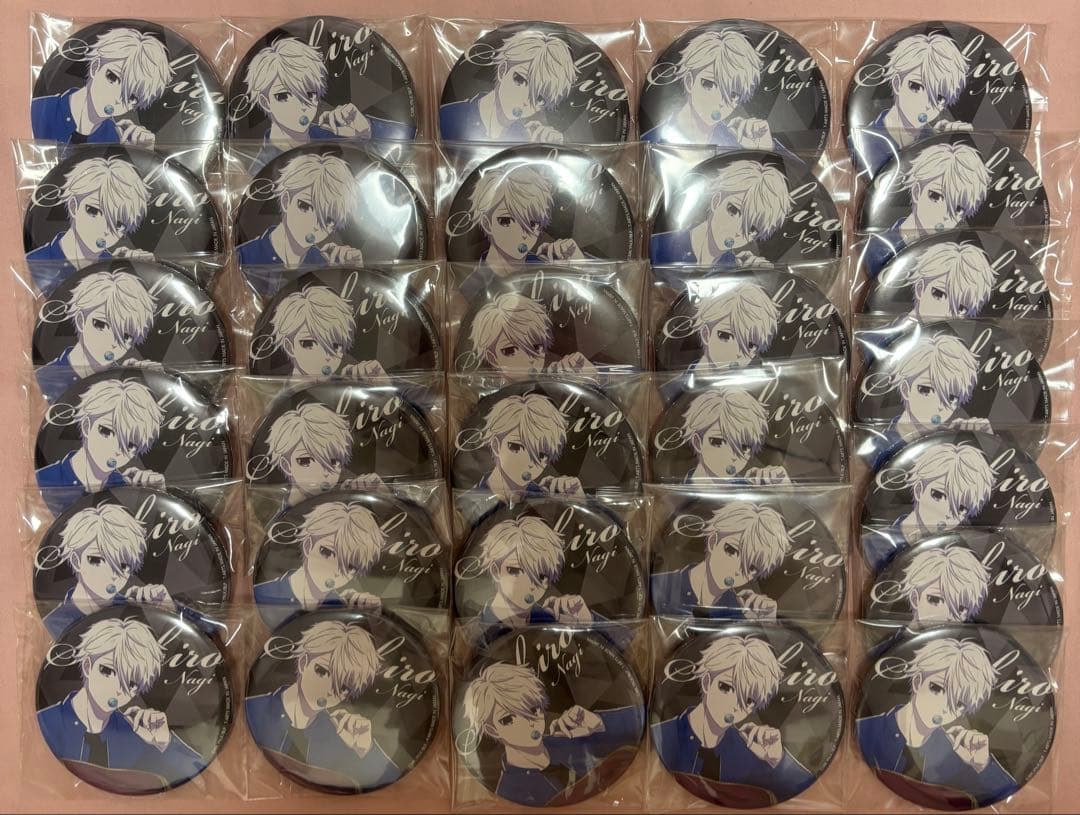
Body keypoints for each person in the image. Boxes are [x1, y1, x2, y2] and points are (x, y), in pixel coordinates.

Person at [37, 617, 204, 788]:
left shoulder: (134, 734)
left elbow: (199, 776)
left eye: (131, 684)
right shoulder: (47, 722)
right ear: (87, 666)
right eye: (108, 671)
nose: (117, 689)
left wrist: (165, 743)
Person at [651, 636, 816, 805]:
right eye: (726, 687)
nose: (735, 705)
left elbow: (806, 786)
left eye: (749, 700)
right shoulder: (664, 734)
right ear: (707, 682)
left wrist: (778, 759)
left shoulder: (749, 750)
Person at [856, 638, 1017, 804]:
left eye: (959, 704)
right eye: (937, 688)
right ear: (918, 682)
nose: (944, 707)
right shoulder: (866, 730)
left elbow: (1012, 799)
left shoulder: (955, 755)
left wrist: (983, 766)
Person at [245, 619, 400, 791]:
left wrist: (366, 749)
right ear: (303, 663)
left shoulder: (338, 735)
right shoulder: (254, 708)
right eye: (322, 671)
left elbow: (394, 783)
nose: (329, 690)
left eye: (343, 687)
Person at [462, 662, 643, 806]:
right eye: (508, 719)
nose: (529, 722)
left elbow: (641, 724)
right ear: (493, 729)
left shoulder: (569, 739)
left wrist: (600, 723)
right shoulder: (510, 790)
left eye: (533, 709)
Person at [242, 37, 416, 173]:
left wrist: (367, 131)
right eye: (284, 96)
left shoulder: (332, 135)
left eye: (310, 94)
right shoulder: (261, 165)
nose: (302, 105)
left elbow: (407, 137)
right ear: (265, 102)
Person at [235, 152, 364, 296]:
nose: (315, 225)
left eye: (329, 220)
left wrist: (352, 275)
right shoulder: (243, 256)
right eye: (305, 206)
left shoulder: (323, 264)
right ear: (286, 201)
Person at [36, 378, 165, 515]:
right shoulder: (44, 480)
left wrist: (158, 498)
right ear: (87, 426)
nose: (116, 449)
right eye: (106, 431)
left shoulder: (125, 489)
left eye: (130, 444)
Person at [861, 142, 990, 278]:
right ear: (917, 192)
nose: (945, 214)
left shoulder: (951, 267)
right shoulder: (878, 248)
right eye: (936, 196)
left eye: (958, 209)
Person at [26, 157, 153, 292]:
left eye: (118, 224)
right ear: (74, 206)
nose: (104, 229)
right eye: (93, 211)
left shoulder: (115, 269)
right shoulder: (35, 262)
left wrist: (139, 273)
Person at [863, 442, 995, 571]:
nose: (946, 512)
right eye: (938, 495)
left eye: (961, 508)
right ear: (919, 490)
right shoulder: (876, 544)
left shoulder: (957, 562)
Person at [854, 34, 972, 177]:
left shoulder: (936, 143)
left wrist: (953, 146)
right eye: (916, 86)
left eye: (939, 97)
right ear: (897, 83)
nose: (926, 104)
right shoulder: (862, 141)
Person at [253, 501, 384, 628]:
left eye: (350, 566)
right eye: (326, 552)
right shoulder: (263, 594)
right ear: (308, 546)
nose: (335, 570)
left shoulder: (342, 607)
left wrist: (373, 618)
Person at [32, 27, 170, 146]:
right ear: (95, 67)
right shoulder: (40, 111)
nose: (117, 98)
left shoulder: (115, 139)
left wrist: (141, 154)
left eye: (132, 97)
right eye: (113, 77)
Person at [651, 503, 789, 618]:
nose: (737, 570)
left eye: (752, 567)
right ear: (713, 542)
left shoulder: (739, 612)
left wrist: (765, 624)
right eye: (731, 551)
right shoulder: (661, 585)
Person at [37, 270, 157, 401]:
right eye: (101, 325)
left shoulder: (126, 384)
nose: (113, 342)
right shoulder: (44, 379)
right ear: (81, 321)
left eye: (126, 336)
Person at [440, 30, 576, 143]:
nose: (526, 101)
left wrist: (539, 152)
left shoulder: (526, 138)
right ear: (502, 70)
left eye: (540, 98)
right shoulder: (451, 115)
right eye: (520, 80)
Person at [650, 160, 794, 267]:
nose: (737, 231)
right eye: (733, 210)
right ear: (716, 201)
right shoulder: (662, 245)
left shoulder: (733, 266)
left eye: (752, 229)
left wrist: (752, 277)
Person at [264, 285, 387, 379]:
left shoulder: (347, 385)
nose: (326, 356)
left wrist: (383, 389)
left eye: (336, 345)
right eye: (309, 343)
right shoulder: (272, 390)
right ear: (289, 347)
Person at [467, 292, 597, 379]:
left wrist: (593, 378)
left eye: (536, 347)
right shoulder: (487, 392)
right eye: (510, 350)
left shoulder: (557, 374)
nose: (530, 358)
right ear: (492, 358)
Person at [678, 389, 789, 485]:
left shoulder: (752, 488)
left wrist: (786, 492)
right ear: (697, 442)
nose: (733, 456)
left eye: (744, 446)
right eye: (718, 442)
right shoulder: (673, 492)